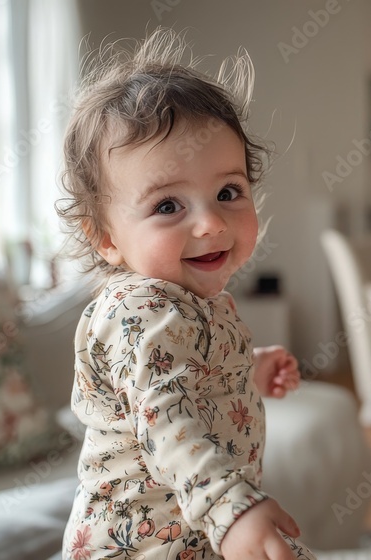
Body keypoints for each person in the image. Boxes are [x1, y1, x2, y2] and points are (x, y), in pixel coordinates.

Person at [57, 30, 313, 560]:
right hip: (137, 547)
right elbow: (164, 415)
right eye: (168, 206)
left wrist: (248, 369)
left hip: (195, 534)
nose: (211, 223)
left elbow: (194, 381)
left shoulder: (199, 304)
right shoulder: (137, 309)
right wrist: (231, 506)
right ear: (105, 238)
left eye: (227, 193)